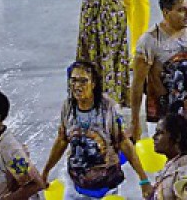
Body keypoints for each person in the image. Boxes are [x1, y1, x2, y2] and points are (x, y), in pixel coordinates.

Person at [42, 62, 150, 200]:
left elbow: (123, 143)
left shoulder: (108, 108)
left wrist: (143, 179)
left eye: (83, 81)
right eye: (73, 80)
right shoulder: (68, 107)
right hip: (75, 186)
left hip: (105, 189)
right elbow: (62, 140)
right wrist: (46, 171)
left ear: (93, 84)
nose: (77, 86)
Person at [128, 0, 187, 150]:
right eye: (181, 10)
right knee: (163, 166)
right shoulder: (149, 41)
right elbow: (137, 83)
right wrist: (135, 121)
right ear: (166, 12)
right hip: (161, 117)